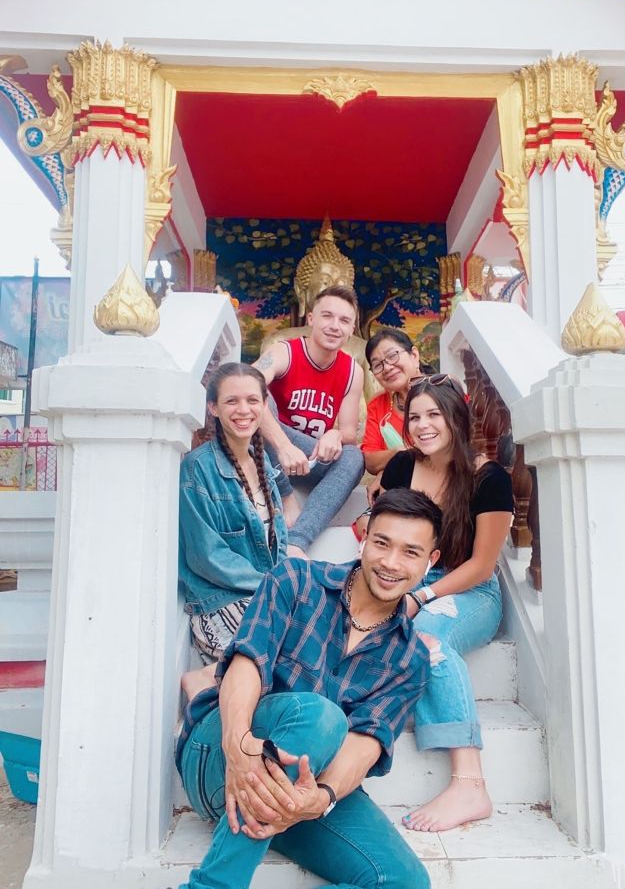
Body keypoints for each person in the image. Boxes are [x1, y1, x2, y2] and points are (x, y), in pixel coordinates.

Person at [176, 489, 442, 889]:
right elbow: (247, 663)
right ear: (365, 536)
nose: (390, 562)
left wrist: (320, 798)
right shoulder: (296, 581)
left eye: (410, 552)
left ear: (429, 562)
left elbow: (366, 743)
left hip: (297, 784)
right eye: (382, 543)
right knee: (321, 715)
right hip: (220, 755)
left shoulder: (409, 660)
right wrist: (240, 744)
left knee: (403, 882)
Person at [380, 374, 513, 833]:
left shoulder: (487, 477)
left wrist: (423, 596)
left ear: (455, 416)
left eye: (433, 414)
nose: (422, 425)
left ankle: (471, 782)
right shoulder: (400, 468)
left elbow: (481, 565)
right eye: (414, 416)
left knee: (428, 636)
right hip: (405, 580)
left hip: (467, 591)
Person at [179, 363, 288, 663]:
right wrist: (274, 586)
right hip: (220, 602)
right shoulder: (198, 469)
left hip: (264, 595)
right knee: (280, 659)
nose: (243, 409)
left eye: (252, 400)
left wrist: (284, 584)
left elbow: (279, 539)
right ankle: (204, 683)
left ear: (264, 405)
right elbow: (206, 556)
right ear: (213, 407)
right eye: (231, 401)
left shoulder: (262, 461)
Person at [253, 285, 365, 558]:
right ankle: (286, 495)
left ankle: (296, 542)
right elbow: (247, 386)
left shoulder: (353, 371)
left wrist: (335, 435)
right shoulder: (285, 352)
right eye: (327, 316)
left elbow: (350, 431)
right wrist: (282, 445)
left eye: (344, 321)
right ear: (311, 319)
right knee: (257, 396)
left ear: (351, 329)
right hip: (270, 449)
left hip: (312, 454)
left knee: (354, 458)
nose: (335, 326)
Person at [361, 328, 422, 477]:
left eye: (392, 356)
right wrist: (396, 455)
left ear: (414, 355)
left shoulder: (444, 390)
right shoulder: (377, 405)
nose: (387, 368)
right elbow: (370, 461)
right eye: (377, 365)